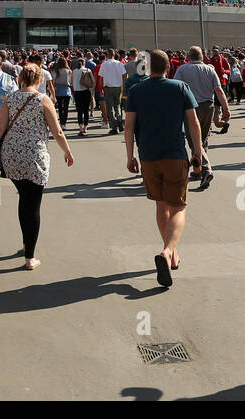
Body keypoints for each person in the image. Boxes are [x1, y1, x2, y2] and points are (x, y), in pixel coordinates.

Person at [124, 49, 204, 288]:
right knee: (178, 206)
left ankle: (172, 253)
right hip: (175, 154)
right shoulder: (179, 87)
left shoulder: (136, 90)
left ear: (146, 68)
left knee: (161, 205)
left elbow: (129, 126)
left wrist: (130, 156)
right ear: (169, 66)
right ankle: (168, 250)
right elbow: (193, 122)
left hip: (148, 155)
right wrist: (198, 154)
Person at [0, 62, 73, 270]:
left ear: (21, 78)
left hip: (11, 155)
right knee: (33, 205)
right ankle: (30, 256)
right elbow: (57, 131)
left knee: (24, 199)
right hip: (34, 157)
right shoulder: (43, 100)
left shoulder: (10, 99)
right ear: (40, 80)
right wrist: (67, 151)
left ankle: (26, 244)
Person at [172, 47, 230, 191]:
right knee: (202, 139)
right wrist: (226, 109)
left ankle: (207, 169)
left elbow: (175, 88)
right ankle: (198, 171)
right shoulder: (210, 70)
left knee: (194, 140)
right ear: (202, 57)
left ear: (188, 57)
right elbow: (219, 90)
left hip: (191, 108)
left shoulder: (182, 69)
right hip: (208, 107)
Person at [99, 49, 126, 134]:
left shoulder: (104, 64)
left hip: (108, 87)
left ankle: (114, 127)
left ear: (107, 55)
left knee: (109, 108)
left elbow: (101, 77)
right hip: (117, 87)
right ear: (114, 55)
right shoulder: (119, 63)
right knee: (117, 106)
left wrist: (101, 89)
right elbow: (124, 74)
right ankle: (119, 122)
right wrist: (124, 85)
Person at [70, 56, 94, 137]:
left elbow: (71, 82)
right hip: (86, 91)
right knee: (86, 110)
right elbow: (93, 81)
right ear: (84, 63)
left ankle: (80, 127)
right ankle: (85, 127)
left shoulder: (74, 71)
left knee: (79, 111)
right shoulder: (88, 70)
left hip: (77, 93)